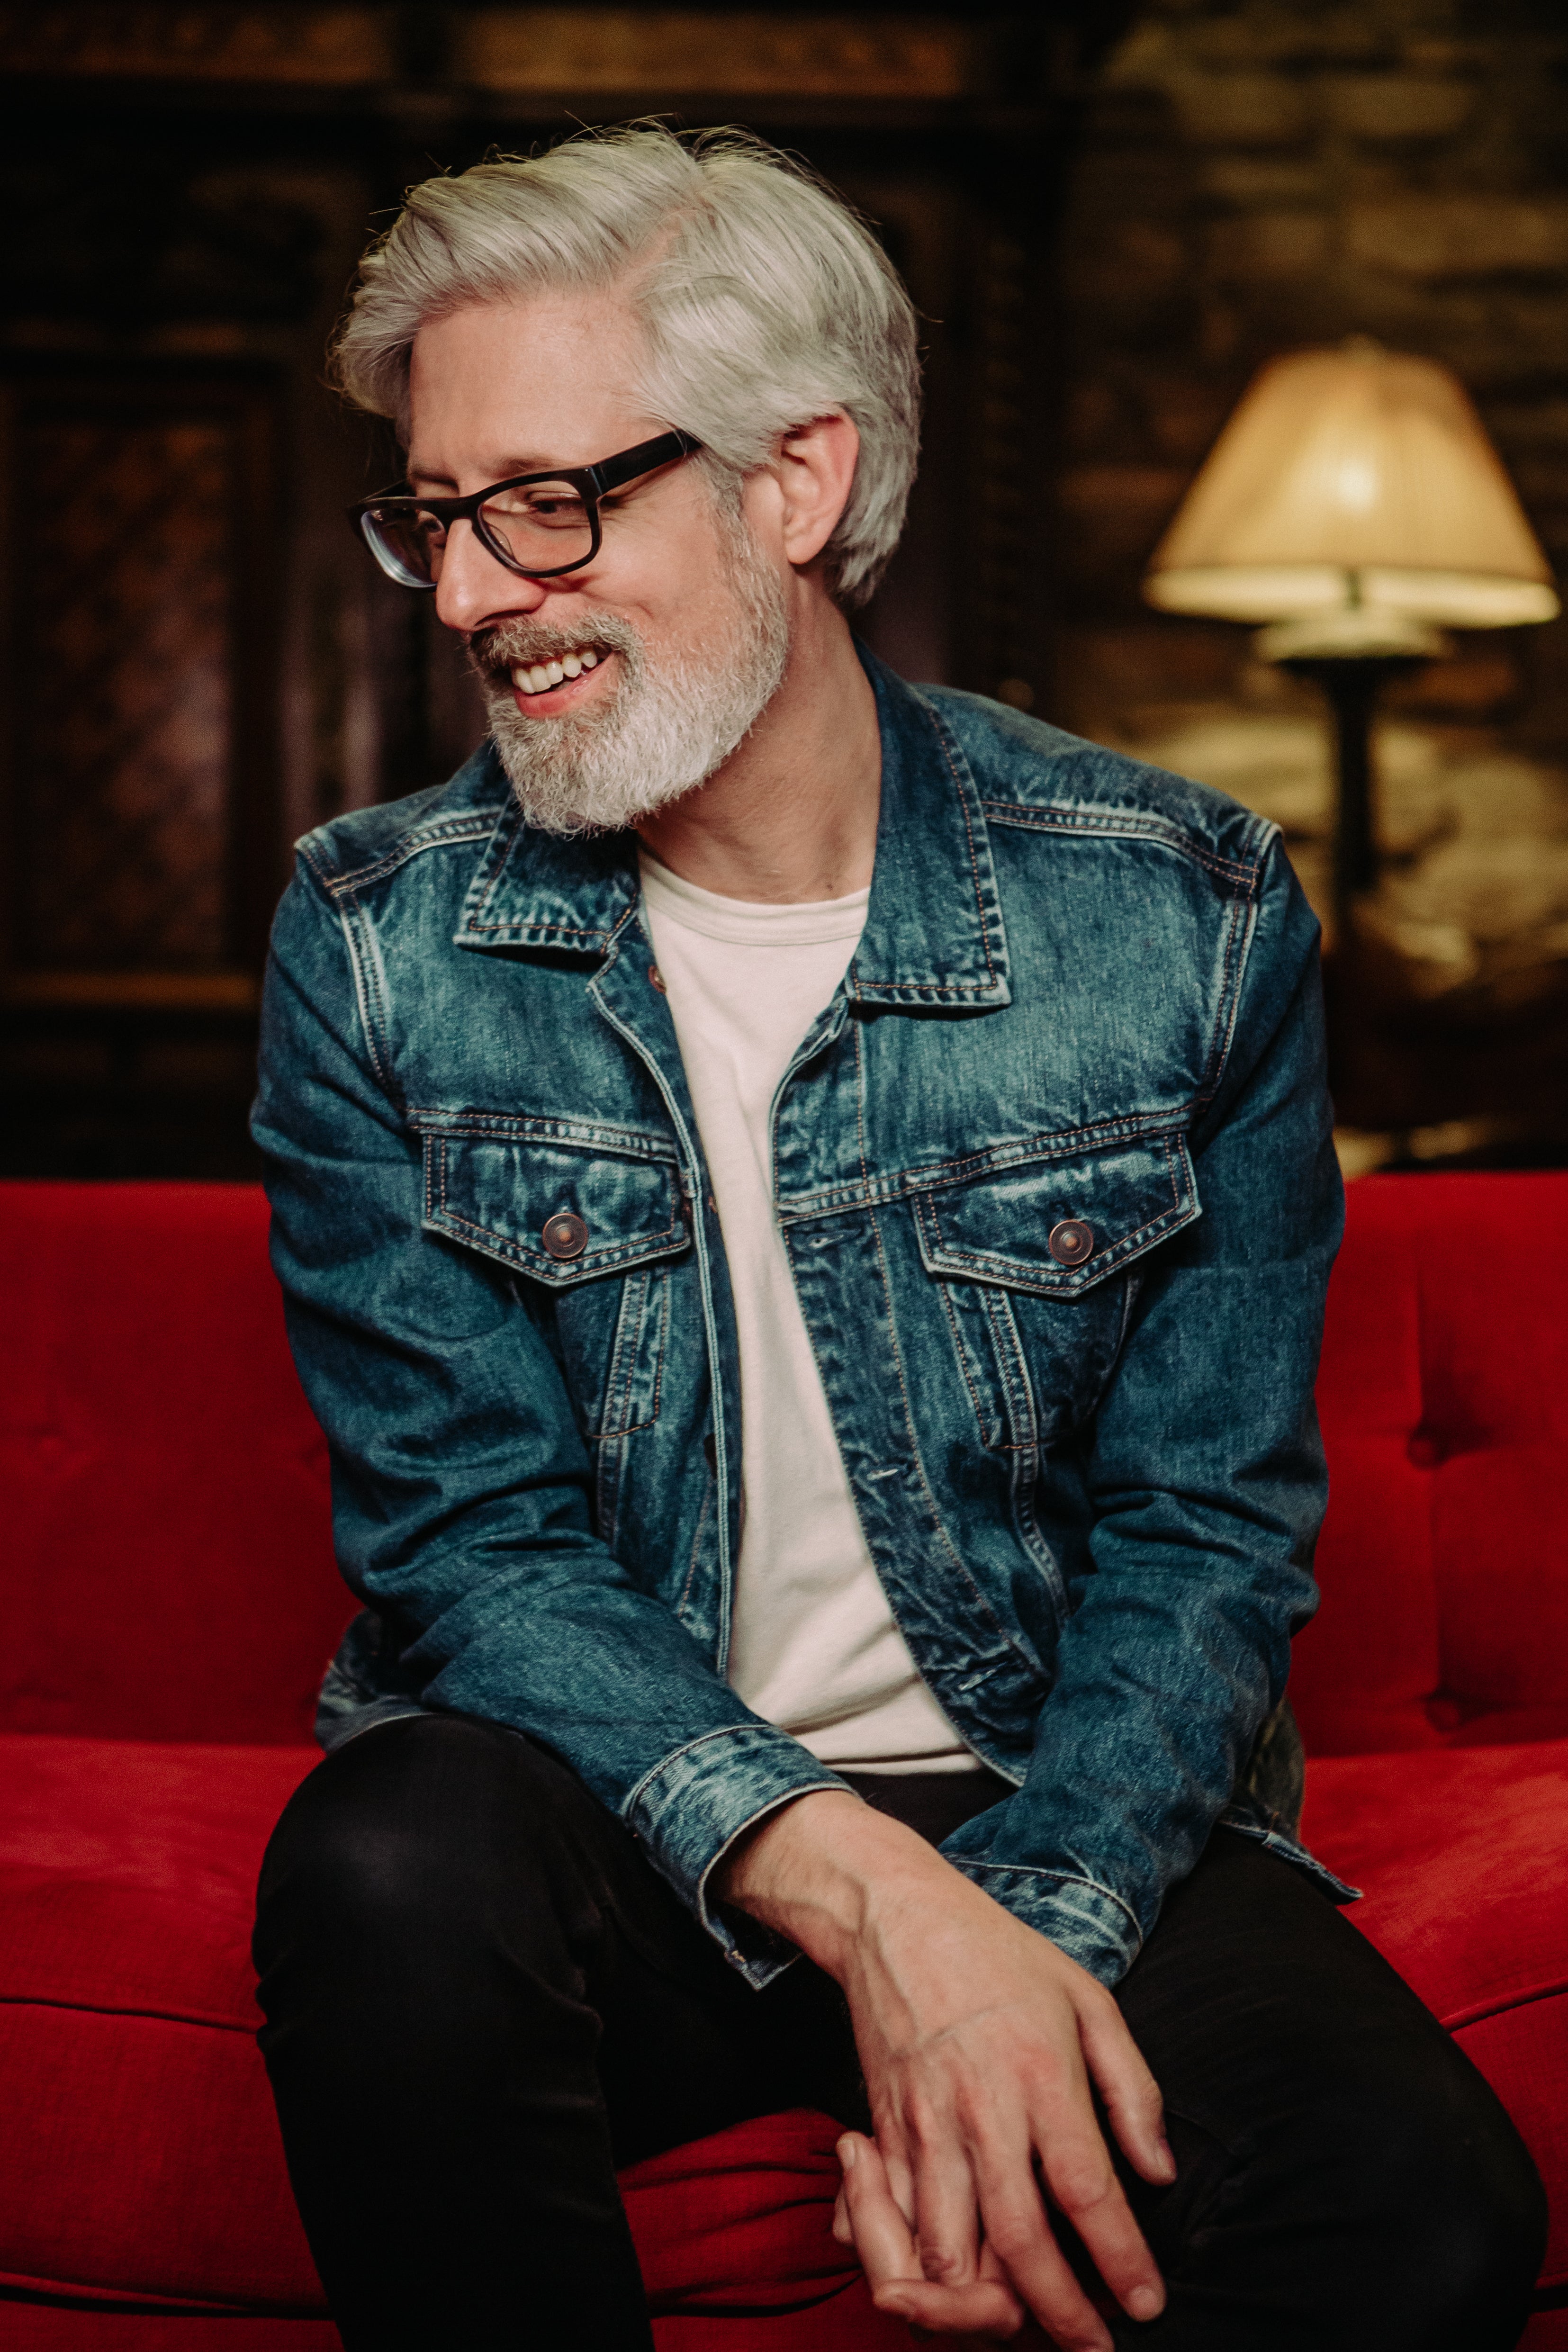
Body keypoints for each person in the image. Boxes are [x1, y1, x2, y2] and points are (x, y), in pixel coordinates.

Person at [250, 125, 1544, 2352]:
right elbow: (469, 1546)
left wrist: (1019, 1933)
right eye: (438, 514)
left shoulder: (1184, 910)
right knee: (381, 1867)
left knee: (1418, 2210)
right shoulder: (376, 939)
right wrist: (873, 1909)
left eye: (545, 503)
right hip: (613, 1809)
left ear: (797, 479)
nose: (467, 592)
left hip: (1059, 1790)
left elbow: (1210, 1527)